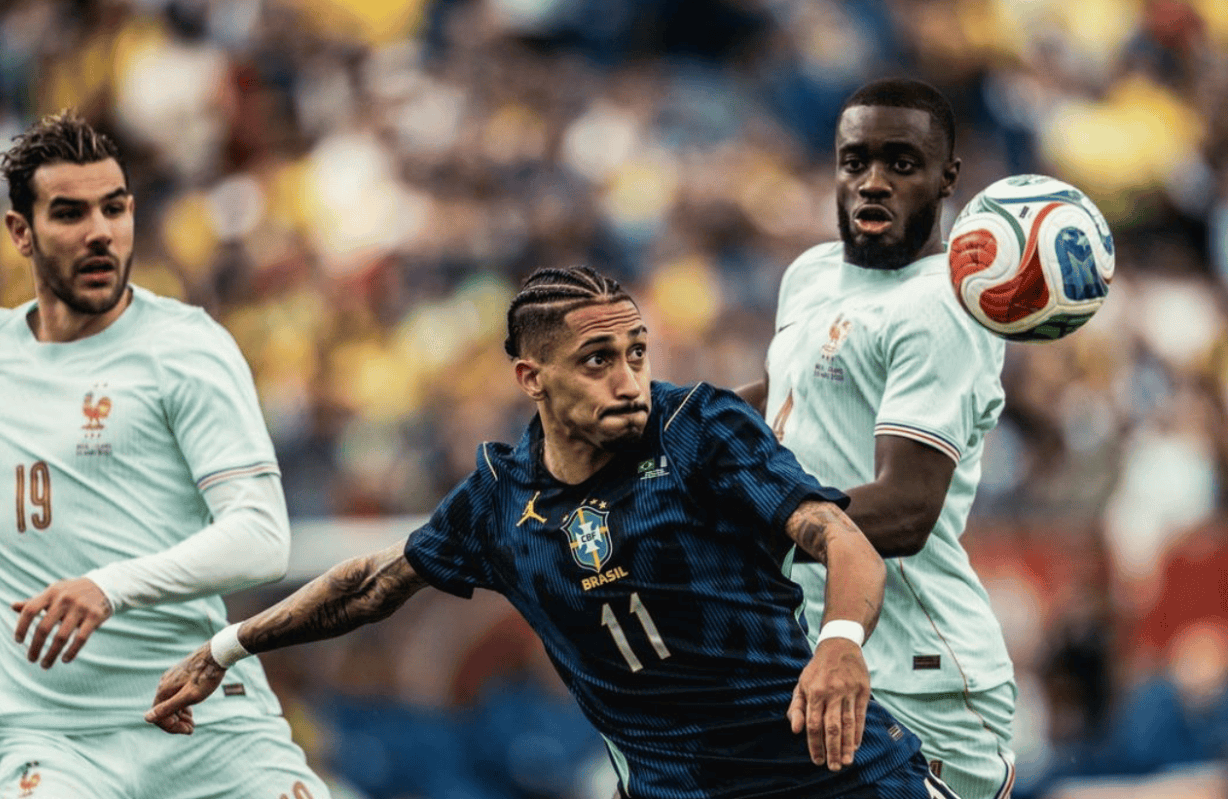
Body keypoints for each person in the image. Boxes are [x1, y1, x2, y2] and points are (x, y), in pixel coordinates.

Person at [148, 265, 960, 799]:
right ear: (530, 378)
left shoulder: (699, 428)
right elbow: (371, 584)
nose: (628, 379)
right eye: (597, 359)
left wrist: (840, 642)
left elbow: (837, 534)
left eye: (636, 352)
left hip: (839, 777)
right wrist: (228, 647)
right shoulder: (496, 501)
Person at [0, 111, 331, 799]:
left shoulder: (184, 347)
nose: (99, 232)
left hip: (207, 719)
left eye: (114, 208)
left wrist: (109, 586)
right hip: (50, 739)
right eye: (69, 213)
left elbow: (262, 536)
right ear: (21, 232)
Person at [737, 78, 1015, 799]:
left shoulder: (943, 306)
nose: (872, 181)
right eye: (854, 161)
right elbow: (782, 395)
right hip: (821, 658)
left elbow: (906, 509)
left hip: (924, 682)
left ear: (947, 177)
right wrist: (664, 431)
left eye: (901, 163)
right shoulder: (810, 273)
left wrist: (734, 521)